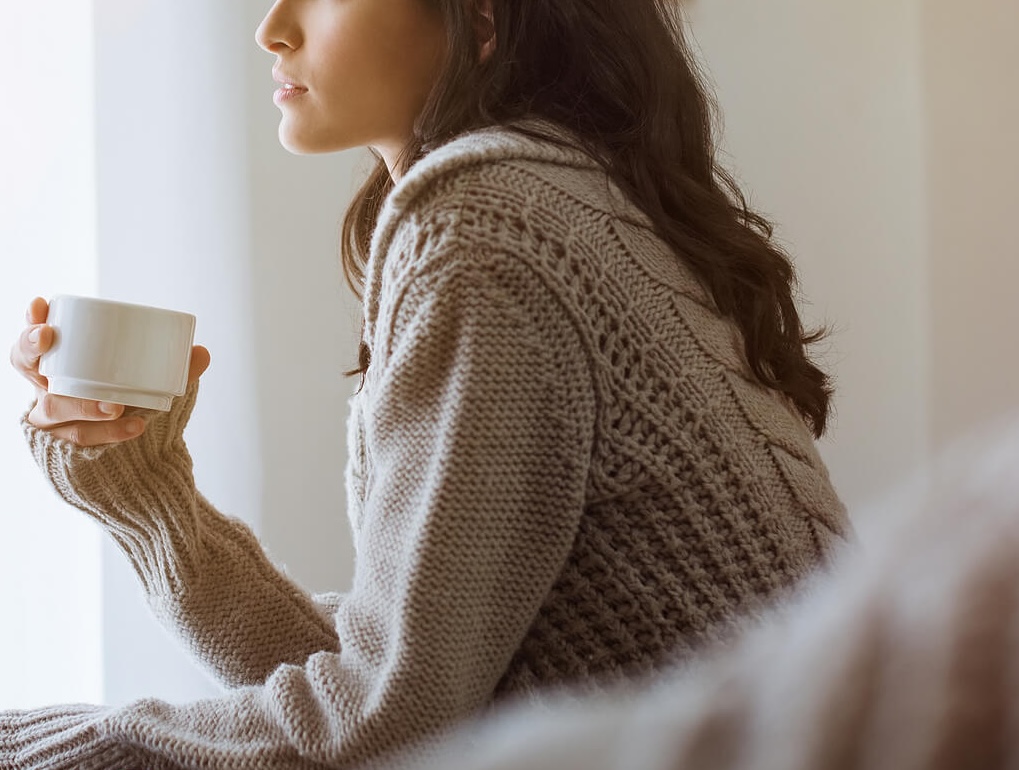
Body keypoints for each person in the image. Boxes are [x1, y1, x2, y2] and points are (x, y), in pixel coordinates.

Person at [2, 0, 850, 767]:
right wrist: (146, 495)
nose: (271, 27)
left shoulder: (487, 225)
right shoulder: (566, 196)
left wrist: (52, 745)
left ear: (481, 18)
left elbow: (384, 722)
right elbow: (400, 686)